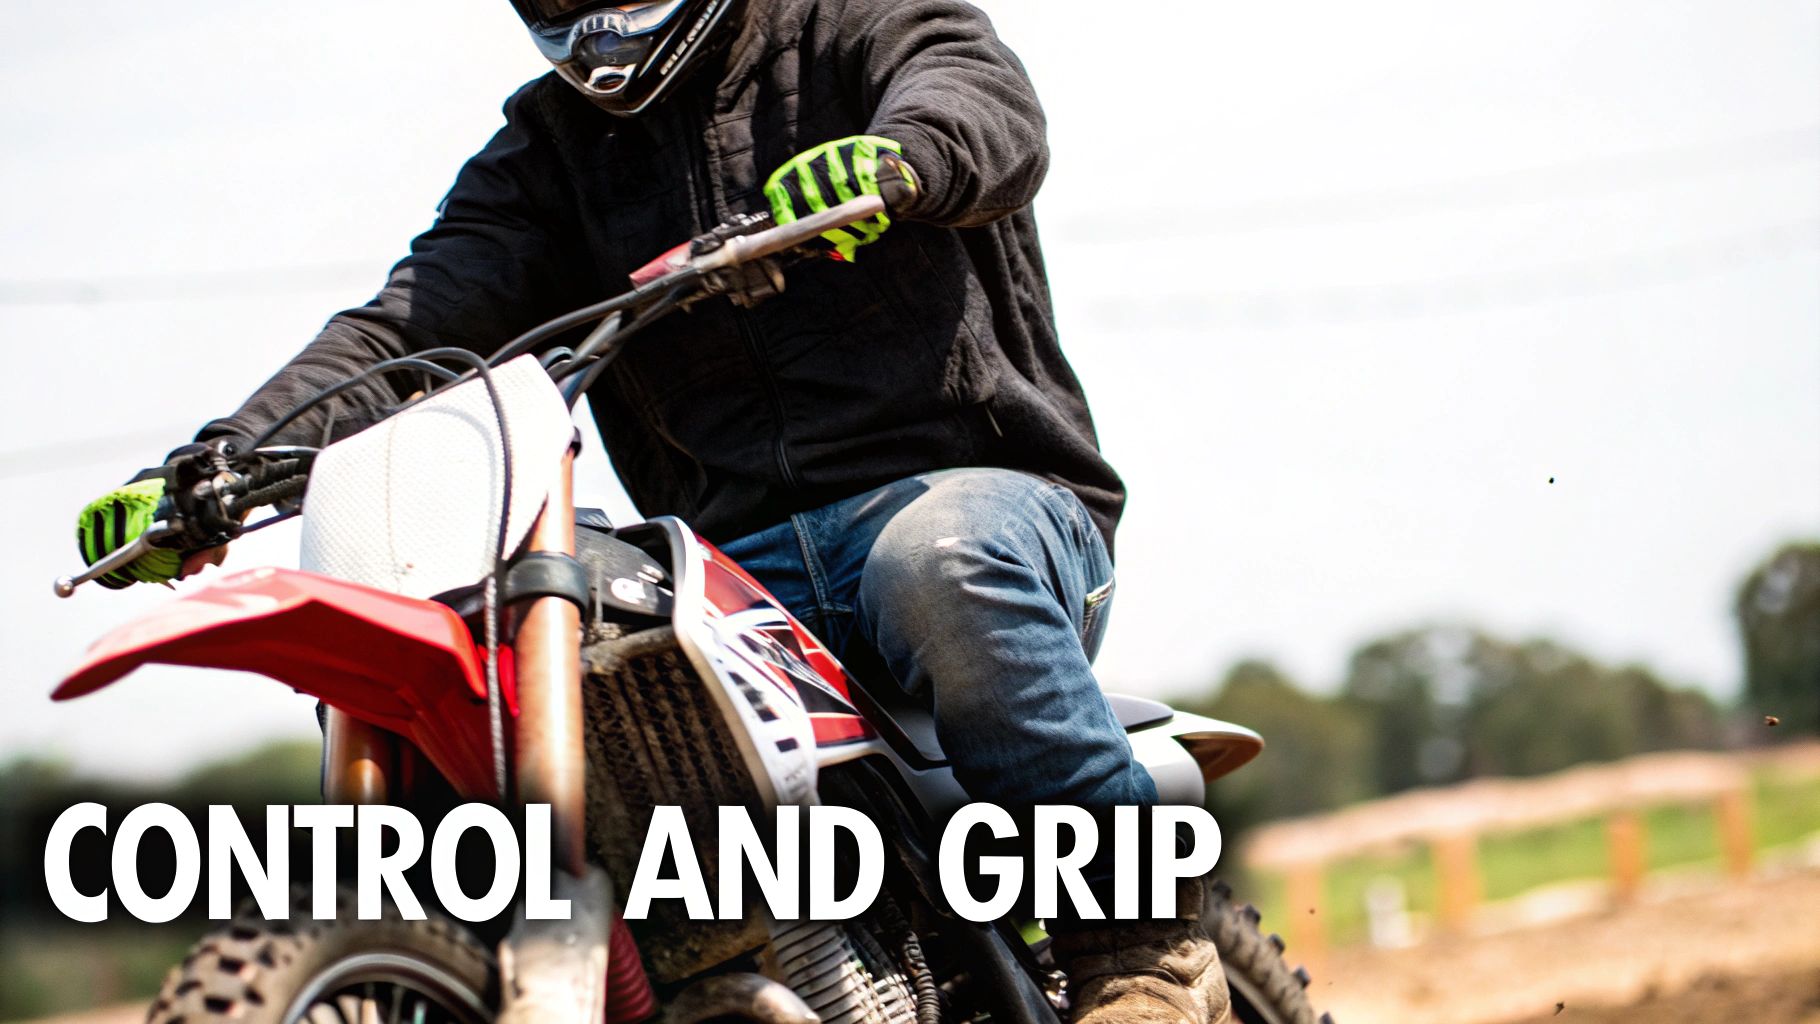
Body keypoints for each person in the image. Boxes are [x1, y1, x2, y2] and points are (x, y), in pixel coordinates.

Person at [73, 1, 1229, 1019]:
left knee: (938, 560)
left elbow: (983, 108)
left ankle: (1135, 944)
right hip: (732, 567)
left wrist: (897, 159)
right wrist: (220, 461)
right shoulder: (548, 154)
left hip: (978, 500)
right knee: (548, 634)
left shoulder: (852, 21)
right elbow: (408, 323)